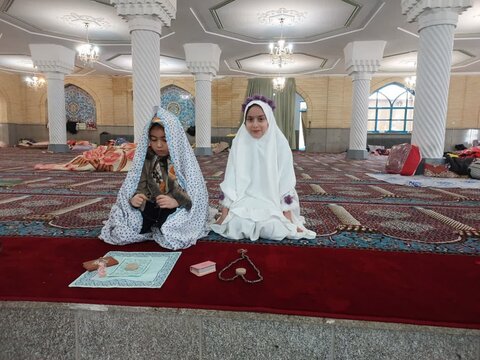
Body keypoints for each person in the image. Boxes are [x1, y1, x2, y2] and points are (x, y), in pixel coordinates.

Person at [100, 107, 209, 250]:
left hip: (173, 209)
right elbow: (140, 184)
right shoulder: (148, 160)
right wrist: (136, 198)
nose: (158, 145)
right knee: (129, 227)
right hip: (151, 207)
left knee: (171, 231)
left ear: (174, 139)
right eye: (154, 139)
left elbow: (196, 196)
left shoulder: (184, 163)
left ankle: (161, 225)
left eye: (165, 140)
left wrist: (176, 201)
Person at [210, 95, 316, 241]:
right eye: (250, 119)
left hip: (271, 200)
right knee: (237, 225)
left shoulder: (280, 143)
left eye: (261, 119)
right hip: (244, 199)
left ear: (269, 120)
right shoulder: (239, 143)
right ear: (244, 121)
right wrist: (224, 215)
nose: (255, 125)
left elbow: (286, 180)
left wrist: (289, 220)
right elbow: (230, 178)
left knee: (274, 228)